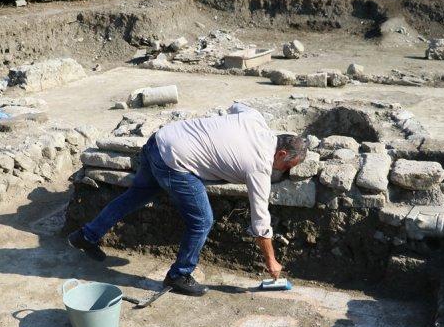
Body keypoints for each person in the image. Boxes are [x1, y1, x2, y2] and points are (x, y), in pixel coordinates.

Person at [68, 102, 306, 296]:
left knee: (135, 196)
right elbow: (261, 222)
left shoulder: (255, 120)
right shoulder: (259, 166)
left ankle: (86, 235)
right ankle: (178, 275)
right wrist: (271, 261)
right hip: (175, 163)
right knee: (202, 221)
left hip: (159, 141)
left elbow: (236, 106)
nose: (282, 172)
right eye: (286, 166)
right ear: (281, 153)